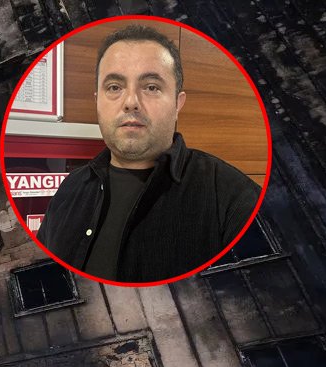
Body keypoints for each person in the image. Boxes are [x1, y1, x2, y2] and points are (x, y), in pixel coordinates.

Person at [35, 24, 261, 282]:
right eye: (114, 87)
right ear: (97, 101)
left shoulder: (234, 198)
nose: (131, 101)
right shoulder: (70, 188)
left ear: (178, 103)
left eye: (151, 87)